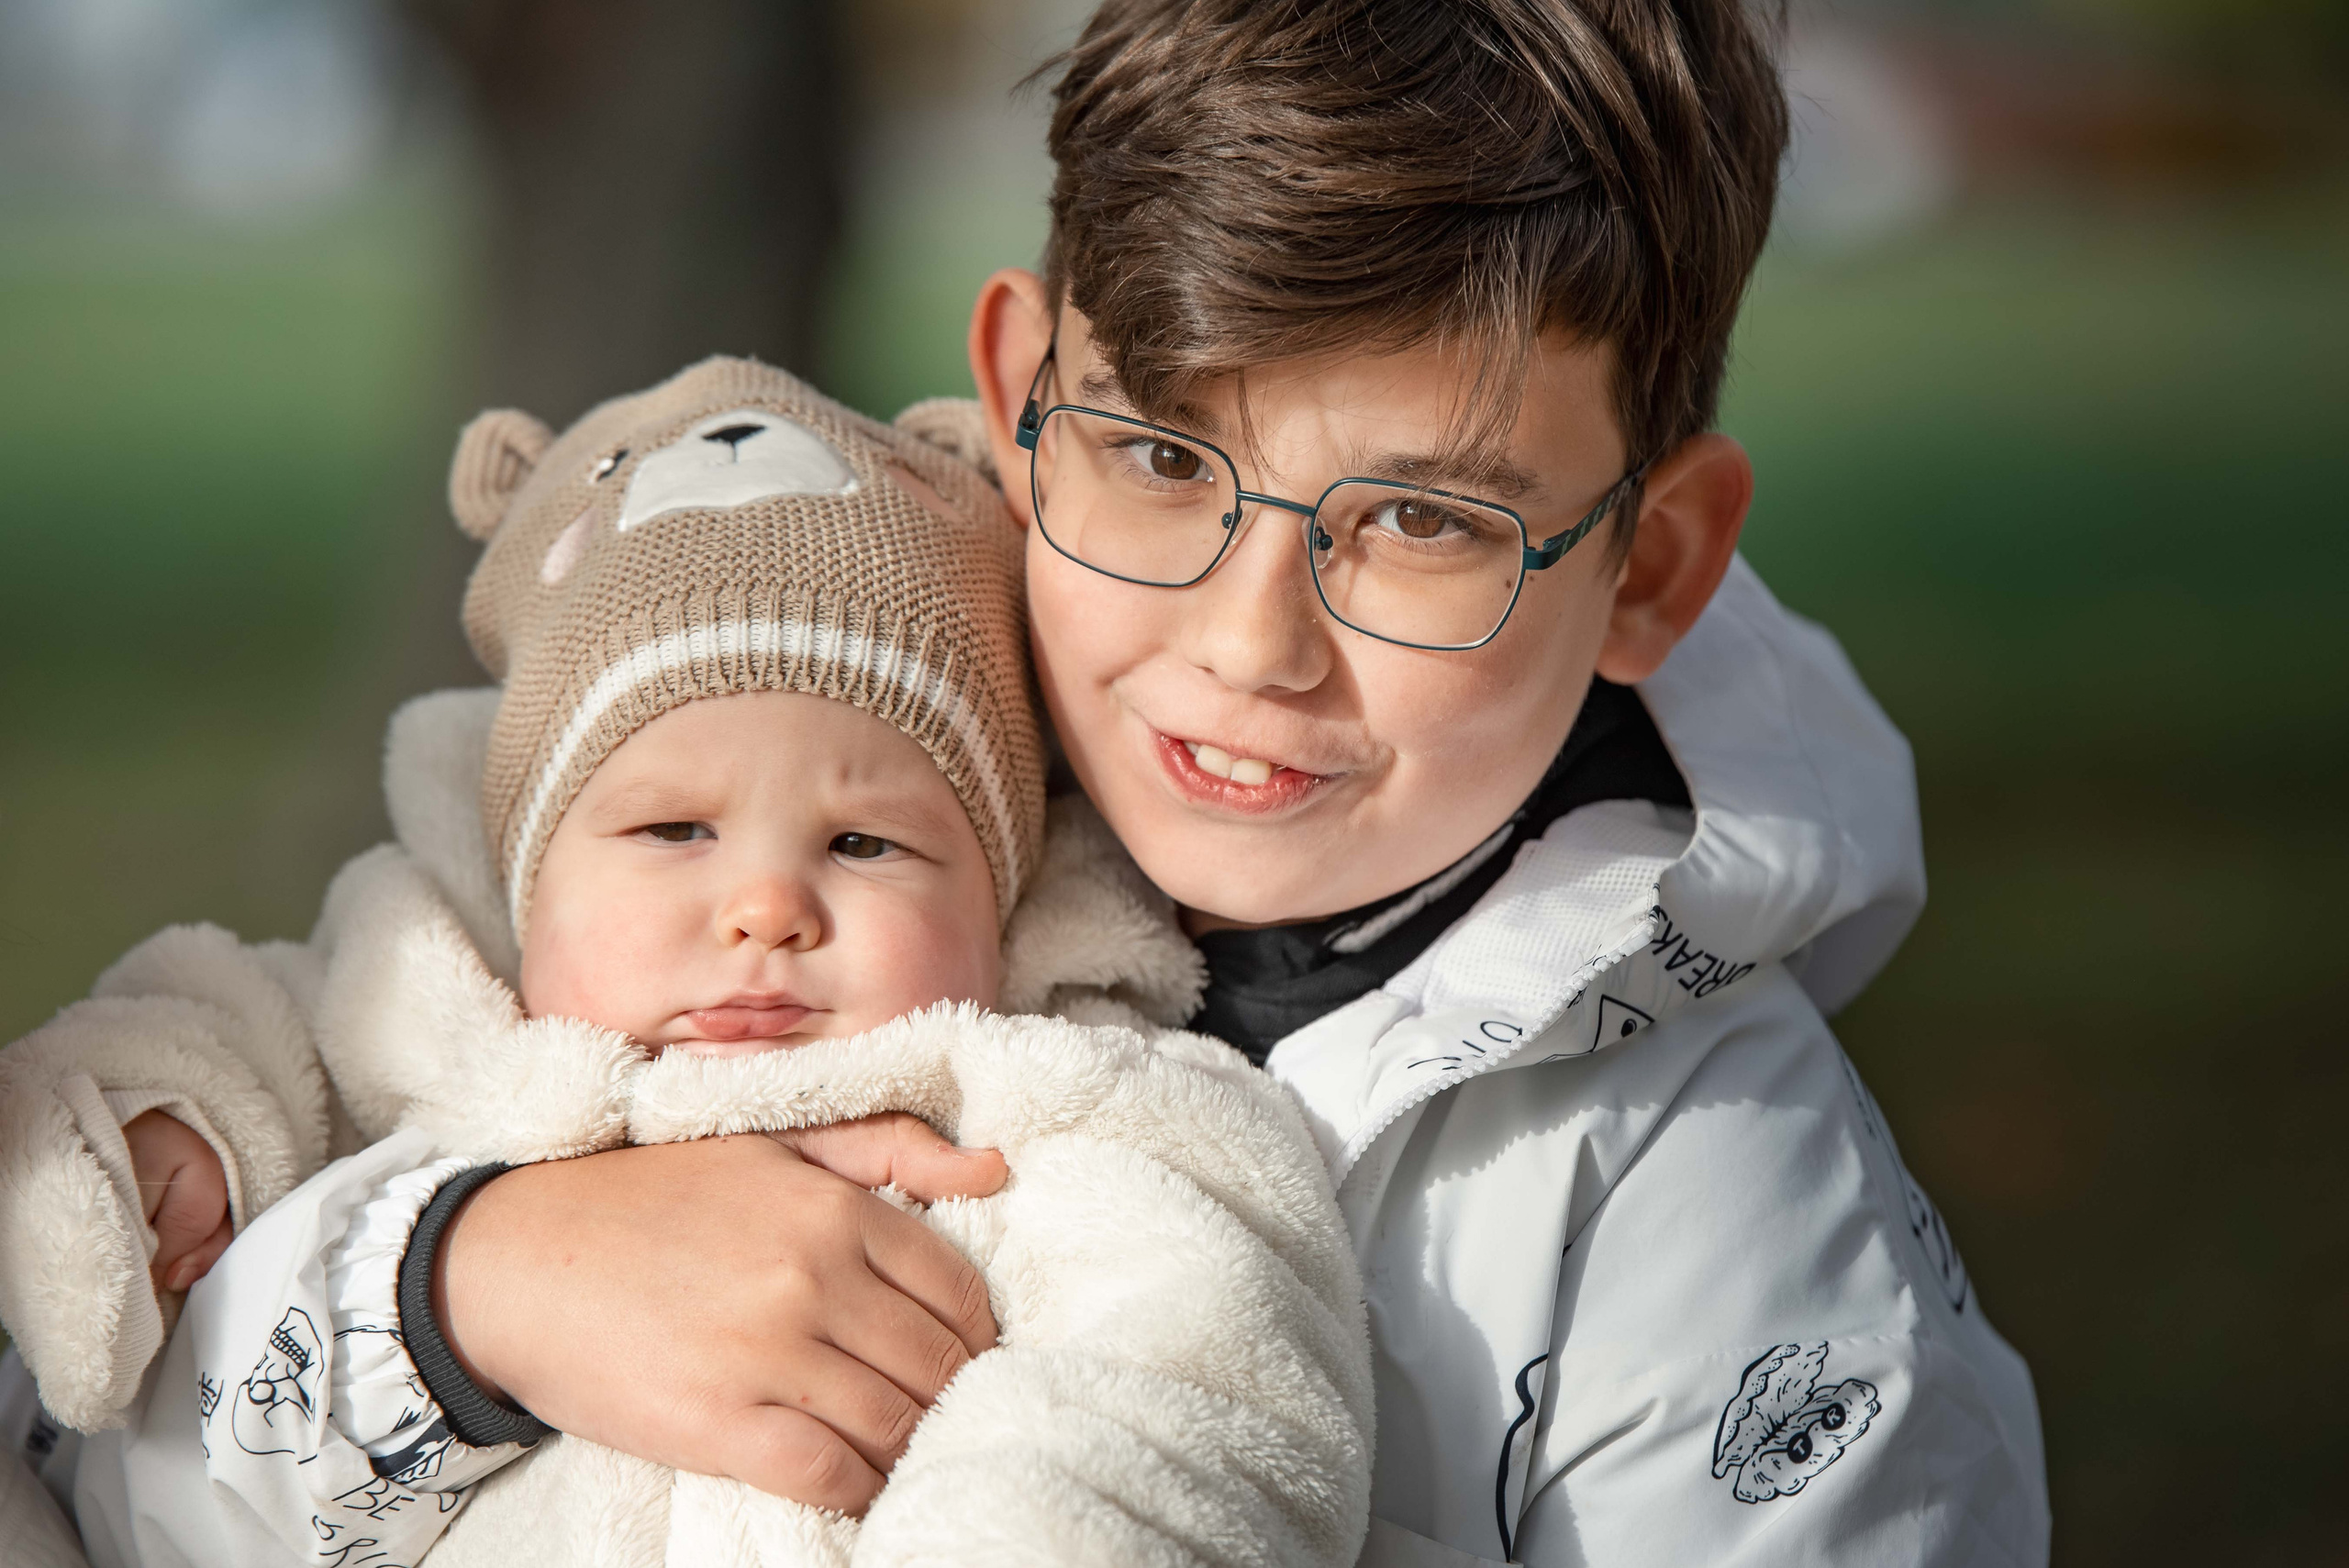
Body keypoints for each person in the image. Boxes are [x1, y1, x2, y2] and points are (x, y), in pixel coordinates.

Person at [4, 1, 2052, 1562]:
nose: (1248, 648)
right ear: (1016, 400)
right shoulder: (780, 775)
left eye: (1417, 522)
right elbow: (86, 1458)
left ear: (1653, 562)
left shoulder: (1711, 1217)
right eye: (1164, 464)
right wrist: (465, 1294)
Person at [0, 359, 1371, 1568]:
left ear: (1004, 895)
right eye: (673, 828)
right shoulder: (420, 1026)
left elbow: (1196, 1400)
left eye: (866, 840)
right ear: (528, 879)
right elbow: (222, 1029)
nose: (767, 905)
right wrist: (148, 1140)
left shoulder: (1071, 1112)